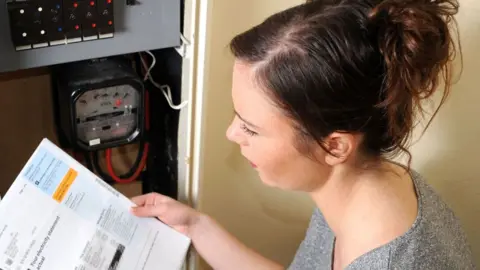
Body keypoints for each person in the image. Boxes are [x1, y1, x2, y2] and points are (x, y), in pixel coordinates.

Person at [130, 0, 476, 269]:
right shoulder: (367, 185)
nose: (232, 133)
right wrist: (195, 226)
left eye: (251, 127)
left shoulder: (389, 260)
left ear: (335, 146)